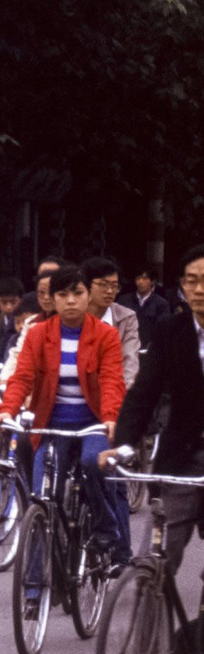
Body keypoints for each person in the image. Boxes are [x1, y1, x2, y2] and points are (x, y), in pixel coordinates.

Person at [0, 266, 130, 589]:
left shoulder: (105, 335)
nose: (70, 302)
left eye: (77, 294)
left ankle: (107, 527)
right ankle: (34, 585)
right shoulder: (39, 334)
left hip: (92, 424)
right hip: (50, 426)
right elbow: (22, 377)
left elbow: (112, 380)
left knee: (91, 463)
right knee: (41, 501)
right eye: (62, 295)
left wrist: (111, 417)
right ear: (51, 299)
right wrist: (5, 410)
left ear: (87, 296)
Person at [106, 245, 204, 577]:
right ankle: (147, 624)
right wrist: (124, 444)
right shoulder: (169, 332)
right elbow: (143, 394)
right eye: (192, 281)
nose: (199, 289)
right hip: (181, 461)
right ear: (182, 286)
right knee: (153, 563)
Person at [84, 257, 141, 389]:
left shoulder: (127, 318)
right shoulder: (74, 316)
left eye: (114, 286)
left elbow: (130, 360)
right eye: (103, 285)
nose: (110, 291)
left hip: (114, 391)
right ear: (87, 286)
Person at [0, 278, 25, 367]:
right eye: (4, 302)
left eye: (13, 302)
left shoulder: (29, 320)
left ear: (21, 300)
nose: (8, 307)